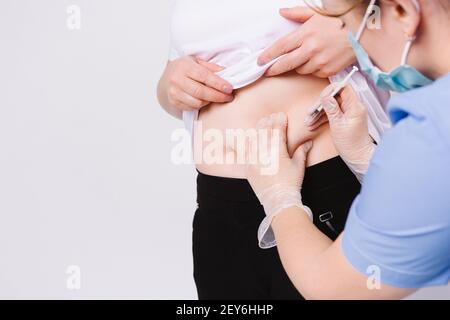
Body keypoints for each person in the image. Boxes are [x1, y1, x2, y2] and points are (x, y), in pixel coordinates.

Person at [158, 0, 390, 299]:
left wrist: (363, 31)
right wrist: (170, 87)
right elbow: (171, 88)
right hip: (221, 205)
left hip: (324, 185)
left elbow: (418, 24)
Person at [244, 0, 450, 299]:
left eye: (353, 33)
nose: (361, 58)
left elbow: (335, 288)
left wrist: (280, 199)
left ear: (402, 11)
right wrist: (370, 159)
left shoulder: (432, 134)